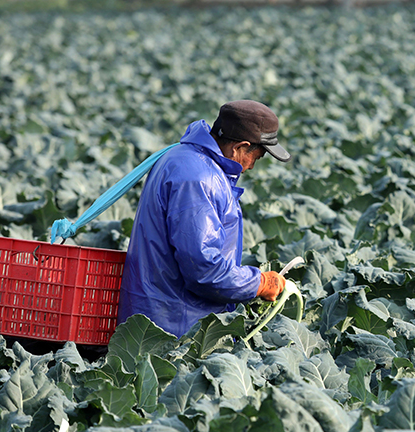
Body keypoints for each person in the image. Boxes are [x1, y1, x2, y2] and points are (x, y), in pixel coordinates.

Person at [118, 100, 291, 337]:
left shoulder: (182, 156)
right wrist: (258, 283)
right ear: (240, 147)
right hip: (174, 326)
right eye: (256, 157)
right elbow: (204, 270)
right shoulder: (200, 179)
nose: (251, 167)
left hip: (158, 312)